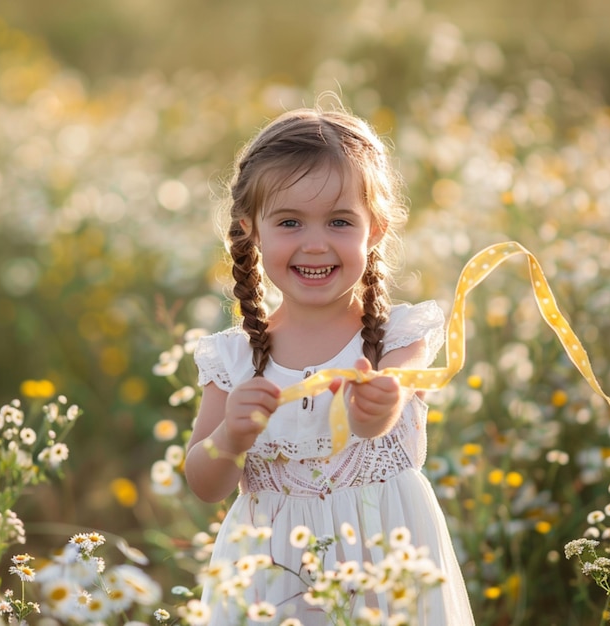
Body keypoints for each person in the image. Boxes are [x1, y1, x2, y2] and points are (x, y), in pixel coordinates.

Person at [185, 103, 475, 625]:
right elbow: (205, 484)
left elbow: (375, 415)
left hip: (385, 568)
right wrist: (230, 438)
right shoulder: (233, 359)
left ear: (377, 229)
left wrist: (376, 406)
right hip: (273, 579)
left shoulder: (396, 340)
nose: (315, 243)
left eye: (340, 221)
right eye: (290, 222)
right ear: (251, 230)